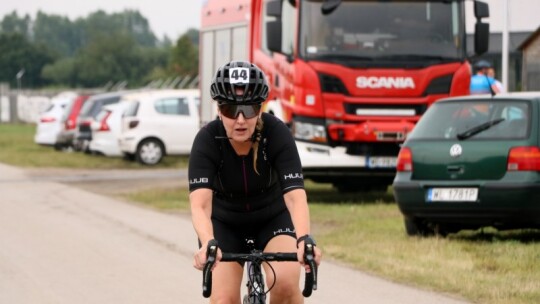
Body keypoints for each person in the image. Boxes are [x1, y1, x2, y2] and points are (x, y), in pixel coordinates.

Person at [189, 60, 322, 304]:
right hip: (225, 224)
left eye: (249, 109)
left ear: (260, 109)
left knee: (286, 286)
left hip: (272, 219)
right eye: (230, 109)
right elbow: (200, 205)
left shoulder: (277, 133)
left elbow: (295, 196)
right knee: (223, 300)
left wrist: (304, 239)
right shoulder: (207, 140)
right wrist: (208, 242)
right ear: (219, 109)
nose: (240, 120)